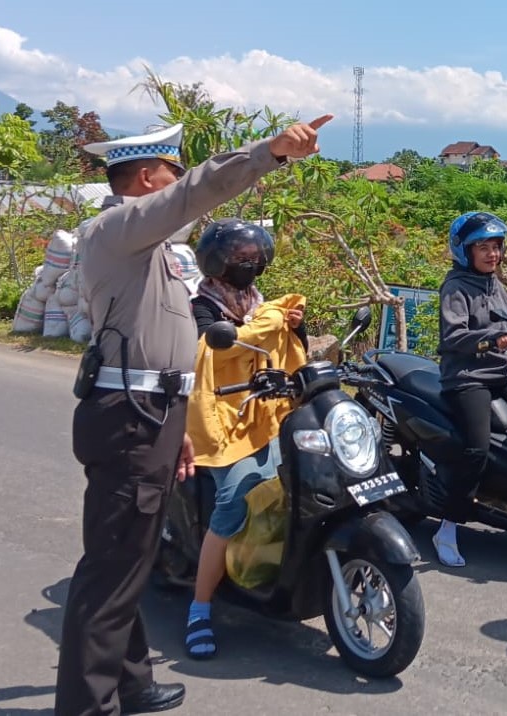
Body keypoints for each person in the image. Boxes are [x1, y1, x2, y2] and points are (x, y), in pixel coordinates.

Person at [57, 115, 331, 716]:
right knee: (111, 566)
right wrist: (269, 153)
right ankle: (87, 705)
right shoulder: (119, 227)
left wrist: (178, 426)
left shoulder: (145, 248)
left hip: (152, 413)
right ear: (149, 177)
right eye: (172, 174)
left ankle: (131, 683)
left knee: (131, 557)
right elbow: (196, 192)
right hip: (130, 416)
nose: (178, 185)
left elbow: (172, 349)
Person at [181, 217, 307, 660]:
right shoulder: (201, 308)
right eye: (240, 259)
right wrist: (270, 324)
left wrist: (293, 326)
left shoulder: (260, 306)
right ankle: (199, 608)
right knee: (234, 503)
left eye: (255, 259)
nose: (250, 266)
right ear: (217, 264)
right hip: (222, 421)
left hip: (266, 415)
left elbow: (284, 353)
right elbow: (214, 352)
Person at [433, 211, 507, 568]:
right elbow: (454, 336)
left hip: (500, 375)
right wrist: (490, 339)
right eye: (483, 247)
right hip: (468, 378)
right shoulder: (456, 287)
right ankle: (448, 526)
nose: (492, 254)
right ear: (464, 250)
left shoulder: (494, 283)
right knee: (476, 450)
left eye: (496, 247)